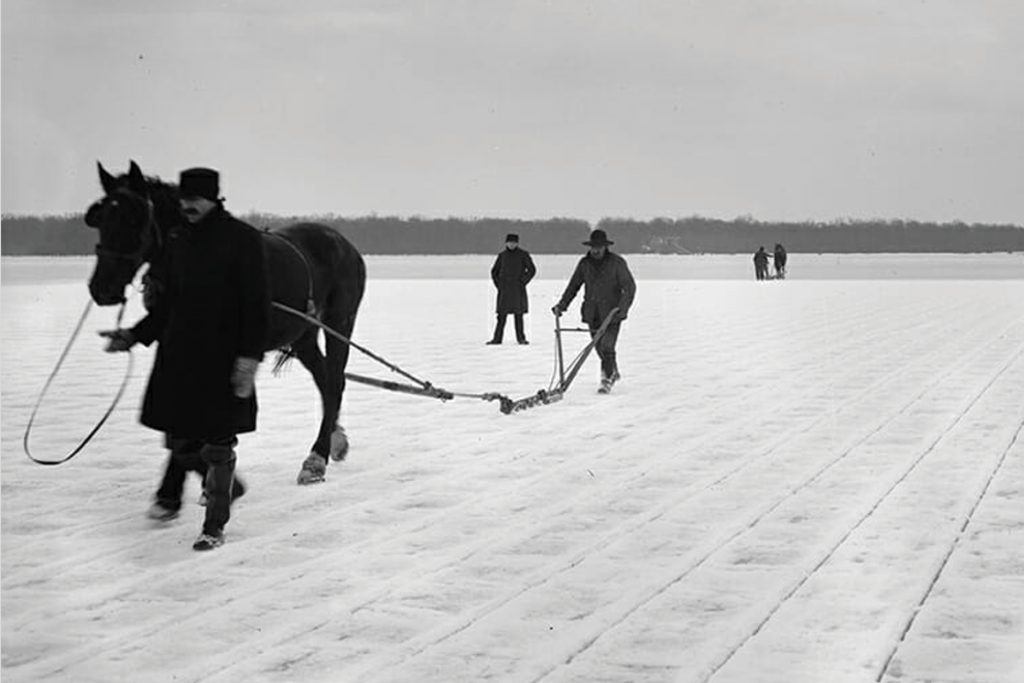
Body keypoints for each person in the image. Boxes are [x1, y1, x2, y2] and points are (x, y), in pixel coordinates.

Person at [100, 167, 270, 551]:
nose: (188, 206)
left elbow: (257, 307)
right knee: (178, 439)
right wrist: (133, 335)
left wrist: (248, 360)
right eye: (184, 200)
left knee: (218, 445)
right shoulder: (176, 240)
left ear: (214, 199)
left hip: (222, 360)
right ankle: (223, 490)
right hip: (177, 359)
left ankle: (215, 525)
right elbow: (168, 306)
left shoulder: (242, 239)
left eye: (196, 199)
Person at [551, 228, 636, 393]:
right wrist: (562, 305)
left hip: (612, 313)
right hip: (592, 313)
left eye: (599, 247)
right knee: (598, 348)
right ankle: (613, 372)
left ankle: (606, 379)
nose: (596, 250)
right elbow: (573, 286)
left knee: (607, 346)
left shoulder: (617, 263)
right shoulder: (584, 263)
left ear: (605, 247)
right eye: (593, 247)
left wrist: (622, 309)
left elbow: (629, 287)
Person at [487, 233, 537, 345]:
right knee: (501, 316)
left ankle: (521, 338)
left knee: (518, 315)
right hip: (504, 290)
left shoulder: (523, 255)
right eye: (510, 242)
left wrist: (523, 281)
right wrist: (499, 284)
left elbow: (532, 270)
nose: (512, 244)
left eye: (514, 243)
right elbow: (494, 272)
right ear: (506, 243)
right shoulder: (502, 256)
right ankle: (497, 339)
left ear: (517, 243)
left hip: (517, 289)